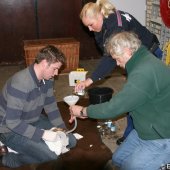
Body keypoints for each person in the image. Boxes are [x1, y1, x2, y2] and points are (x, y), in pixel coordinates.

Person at [69, 31, 170, 170]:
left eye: (117, 58)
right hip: (145, 128)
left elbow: (115, 107)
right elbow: (129, 97)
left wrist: (83, 111)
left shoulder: (143, 73)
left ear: (128, 51)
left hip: (161, 136)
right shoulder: (143, 59)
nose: (116, 63)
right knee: (118, 159)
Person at [75, 0, 163, 145]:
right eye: (87, 26)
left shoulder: (116, 26)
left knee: (137, 99)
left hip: (150, 53)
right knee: (136, 98)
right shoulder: (101, 26)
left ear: (99, 16)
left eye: (91, 25)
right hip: (133, 57)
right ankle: (133, 134)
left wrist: (89, 81)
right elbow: (107, 52)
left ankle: (146, 136)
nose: (89, 29)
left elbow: (110, 59)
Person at [0, 45, 77, 168]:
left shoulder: (48, 79)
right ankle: (8, 158)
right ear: (44, 63)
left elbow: (51, 107)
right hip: (9, 130)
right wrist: (42, 134)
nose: (56, 74)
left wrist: (62, 129)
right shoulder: (21, 83)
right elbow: (12, 122)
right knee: (51, 157)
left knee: (71, 141)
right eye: (55, 69)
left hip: (32, 120)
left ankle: (33, 147)